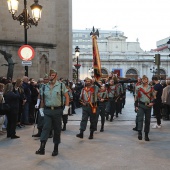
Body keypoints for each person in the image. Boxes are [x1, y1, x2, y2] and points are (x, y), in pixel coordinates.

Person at [35, 69, 69, 156]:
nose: (51, 77)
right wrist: (41, 108)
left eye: (53, 75)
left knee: (57, 129)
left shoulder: (61, 85)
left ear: (56, 76)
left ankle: (56, 148)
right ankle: (42, 148)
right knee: (45, 128)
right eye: (50, 75)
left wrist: (66, 108)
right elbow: (43, 99)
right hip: (47, 110)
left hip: (57, 110)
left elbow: (67, 97)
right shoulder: (44, 87)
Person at [135, 75, 155, 141]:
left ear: (147, 80)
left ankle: (146, 135)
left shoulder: (151, 88)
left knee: (147, 121)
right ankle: (139, 133)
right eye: (143, 79)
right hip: (141, 105)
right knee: (140, 119)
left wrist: (152, 102)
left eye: (145, 79)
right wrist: (136, 106)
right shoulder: (138, 88)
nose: (144, 81)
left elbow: (154, 97)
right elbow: (136, 97)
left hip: (148, 106)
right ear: (141, 80)